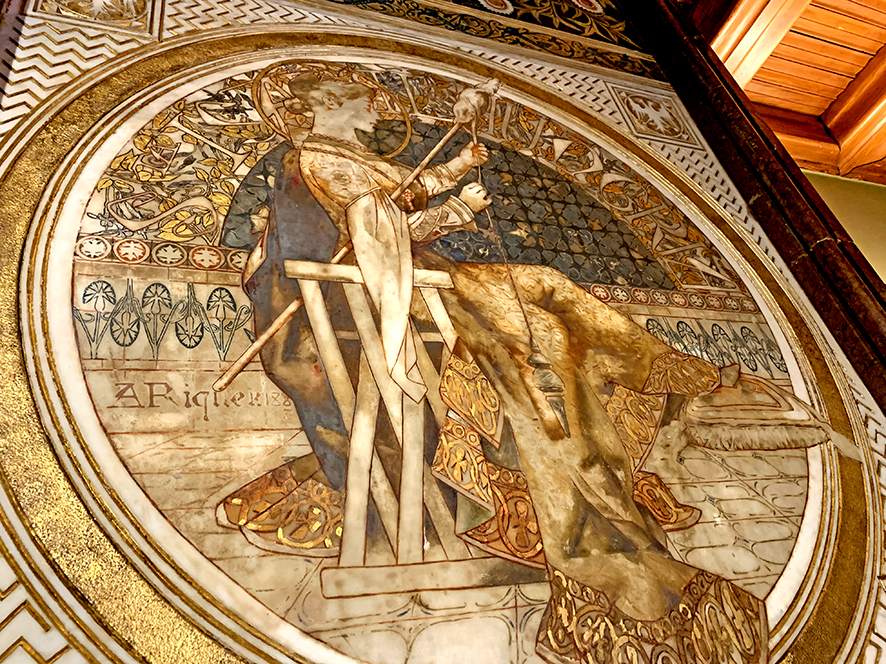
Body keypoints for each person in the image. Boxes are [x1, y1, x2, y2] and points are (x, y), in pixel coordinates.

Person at [220, 63, 845, 664]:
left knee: (546, 285)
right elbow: (383, 230)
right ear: (323, 106)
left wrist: (458, 167)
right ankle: (670, 390)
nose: (372, 107)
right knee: (539, 324)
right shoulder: (320, 158)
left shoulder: (348, 160)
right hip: (380, 301)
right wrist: (456, 207)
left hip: (427, 281)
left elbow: (399, 199)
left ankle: (679, 378)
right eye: (354, 96)